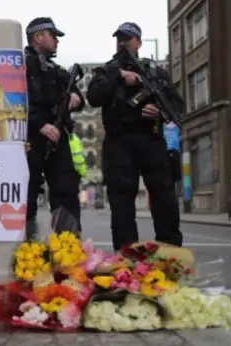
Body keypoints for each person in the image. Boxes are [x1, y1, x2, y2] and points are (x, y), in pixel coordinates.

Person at [86, 22, 184, 250]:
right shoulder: (106, 71)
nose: (123, 43)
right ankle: (126, 255)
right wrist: (118, 76)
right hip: (119, 141)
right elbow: (94, 97)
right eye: (119, 38)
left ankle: (170, 253)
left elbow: (177, 105)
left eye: (128, 39)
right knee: (121, 202)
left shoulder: (155, 72)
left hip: (151, 138)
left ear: (138, 42)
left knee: (164, 196)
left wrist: (159, 112)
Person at [24, 17, 85, 238]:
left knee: (66, 191)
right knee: (27, 193)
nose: (57, 41)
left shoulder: (58, 70)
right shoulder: (20, 64)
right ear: (38, 37)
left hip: (58, 137)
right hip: (32, 137)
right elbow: (13, 100)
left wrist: (75, 99)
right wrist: (41, 125)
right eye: (53, 36)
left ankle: (67, 247)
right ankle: (25, 247)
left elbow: (80, 97)